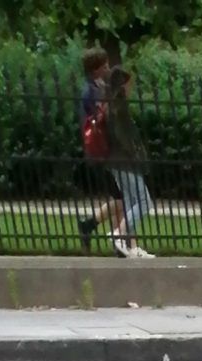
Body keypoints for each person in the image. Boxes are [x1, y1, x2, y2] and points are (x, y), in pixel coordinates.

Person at [77, 47, 125, 253]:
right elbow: (94, 121)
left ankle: (119, 243)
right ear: (95, 69)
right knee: (123, 199)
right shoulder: (89, 92)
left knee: (119, 197)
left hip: (110, 148)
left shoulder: (100, 87)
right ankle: (90, 224)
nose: (107, 68)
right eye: (104, 66)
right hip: (101, 151)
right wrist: (108, 105)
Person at [103, 65, 154, 258]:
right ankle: (120, 233)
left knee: (132, 202)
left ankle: (129, 246)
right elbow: (123, 136)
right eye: (129, 84)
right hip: (125, 162)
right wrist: (135, 154)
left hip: (116, 162)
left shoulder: (110, 104)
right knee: (144, 202)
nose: (131, 88)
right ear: (122, 85)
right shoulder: (119, 107)